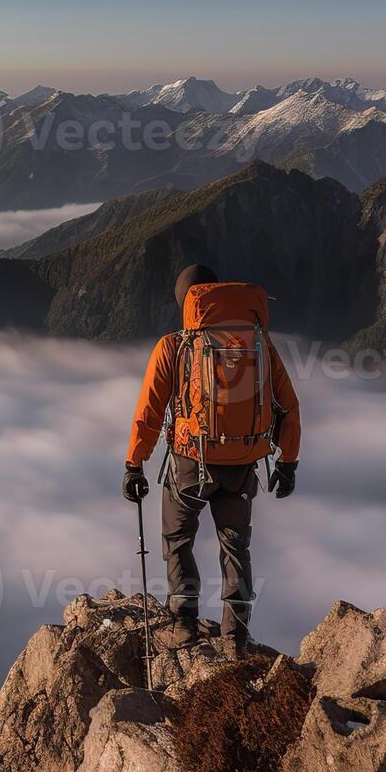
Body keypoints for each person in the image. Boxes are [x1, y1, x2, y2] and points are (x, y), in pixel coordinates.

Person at [121, 265, 300, 652]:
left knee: (177, 538)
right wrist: (288, 462)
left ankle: (183, 623)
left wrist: (134, 464)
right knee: (235, 545)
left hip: (191, 461)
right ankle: (235, 636)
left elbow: (149, 412)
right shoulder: (259, 344)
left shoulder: (176, 345)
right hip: (243, 462)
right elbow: (288, 406)